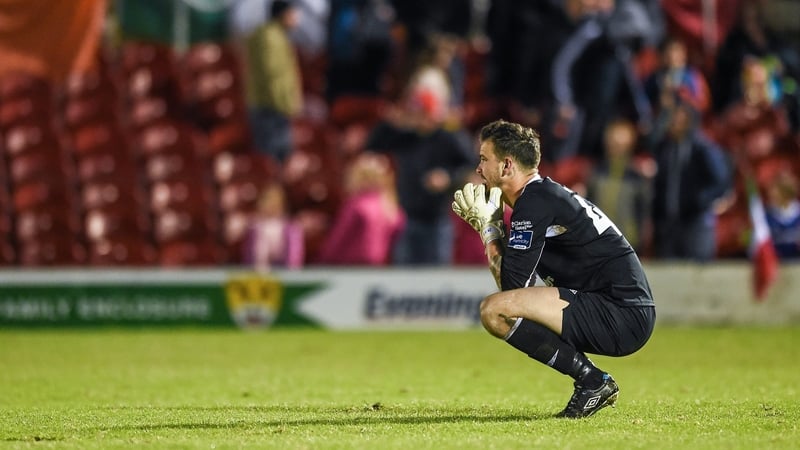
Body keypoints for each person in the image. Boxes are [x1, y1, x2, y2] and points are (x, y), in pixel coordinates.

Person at [451, 119, 656, 418]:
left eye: (484, 159)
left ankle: (593, 381)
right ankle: (593, 381)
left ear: (507, 166)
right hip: (620, 309)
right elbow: (516, 290)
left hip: (620, 313)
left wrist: (490, 231)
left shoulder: (534, 202)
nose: (479, 168)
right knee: (501, 309)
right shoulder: (540, 197)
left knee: (494, 311)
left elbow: (511, 290)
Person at [316, 152, 405, 265]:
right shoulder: (390, 206)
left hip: (352, 264)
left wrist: (323, 259)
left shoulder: (356, 205)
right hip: (380, 264)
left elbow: (339, 238)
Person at [244, 0, 303, 163]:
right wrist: (288, 105)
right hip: (271, 107)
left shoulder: (275, 36)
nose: (297, 17)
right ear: (284, 15)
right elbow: (274, 76)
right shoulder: (271, 39)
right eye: (293, 13)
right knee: (272, 157)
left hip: (272, 105)